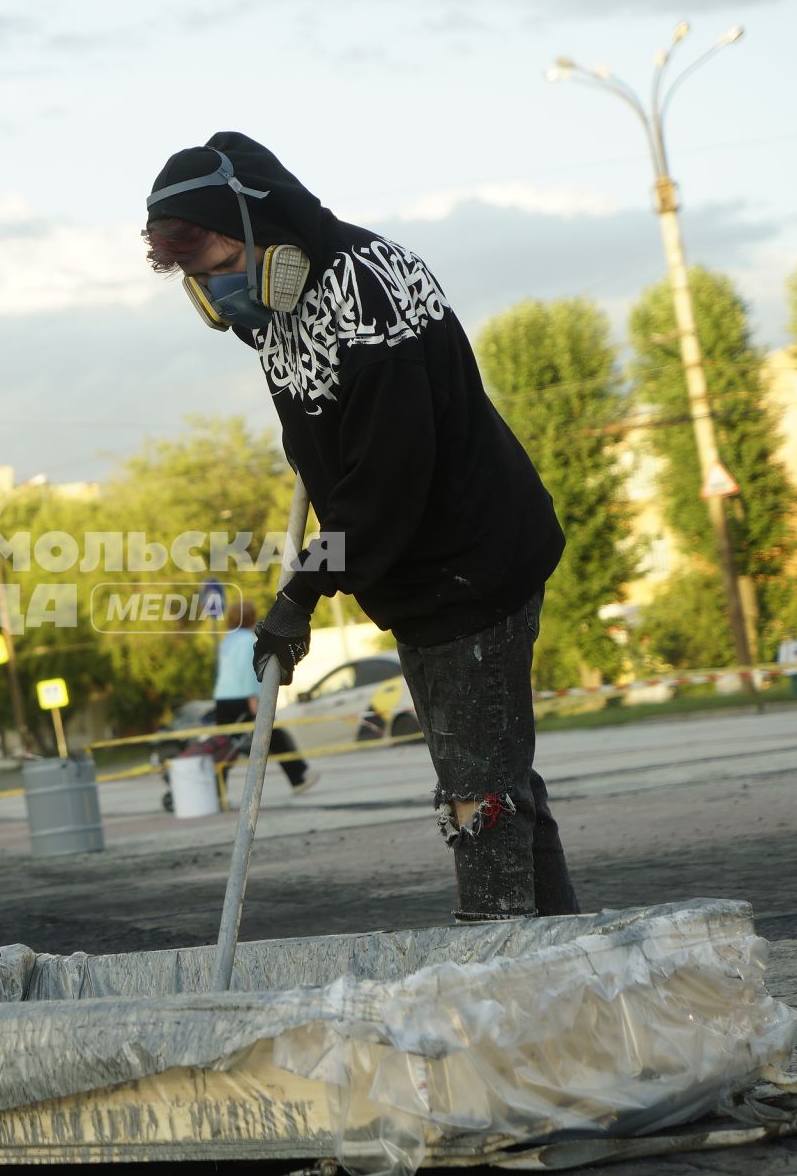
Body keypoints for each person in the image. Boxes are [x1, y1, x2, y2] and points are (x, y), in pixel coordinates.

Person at [143, 132, 578, 922]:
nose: (217, 291)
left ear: (261, 221)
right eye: (200, 282)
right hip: (420, 578)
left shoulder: (365, 282)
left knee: (477, 799)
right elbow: (324, 458)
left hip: (471, 564)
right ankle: (570, 970)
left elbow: (387, 478)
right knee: (498, 785)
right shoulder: (275, 316)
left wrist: (301, 593)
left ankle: (501, 976)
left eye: (218, 264)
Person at [215, 600, 319, 796]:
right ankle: (299, 776)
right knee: (273, 735)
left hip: (223, 699)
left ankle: (216, 789)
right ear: (251, 617)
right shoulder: (247, 640)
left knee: (228, 745)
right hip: (242, 699)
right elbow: (248, 671)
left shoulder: (227, 640)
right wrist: (254, 698)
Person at [777, 629, 797, 698]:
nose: (793, 635)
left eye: (794, 633)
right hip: (792, 668)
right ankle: (796, 696)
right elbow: (783, 656)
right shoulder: (785, 645)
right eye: (791, 634)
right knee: (794, 683)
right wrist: (782, 667)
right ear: (789, 635)